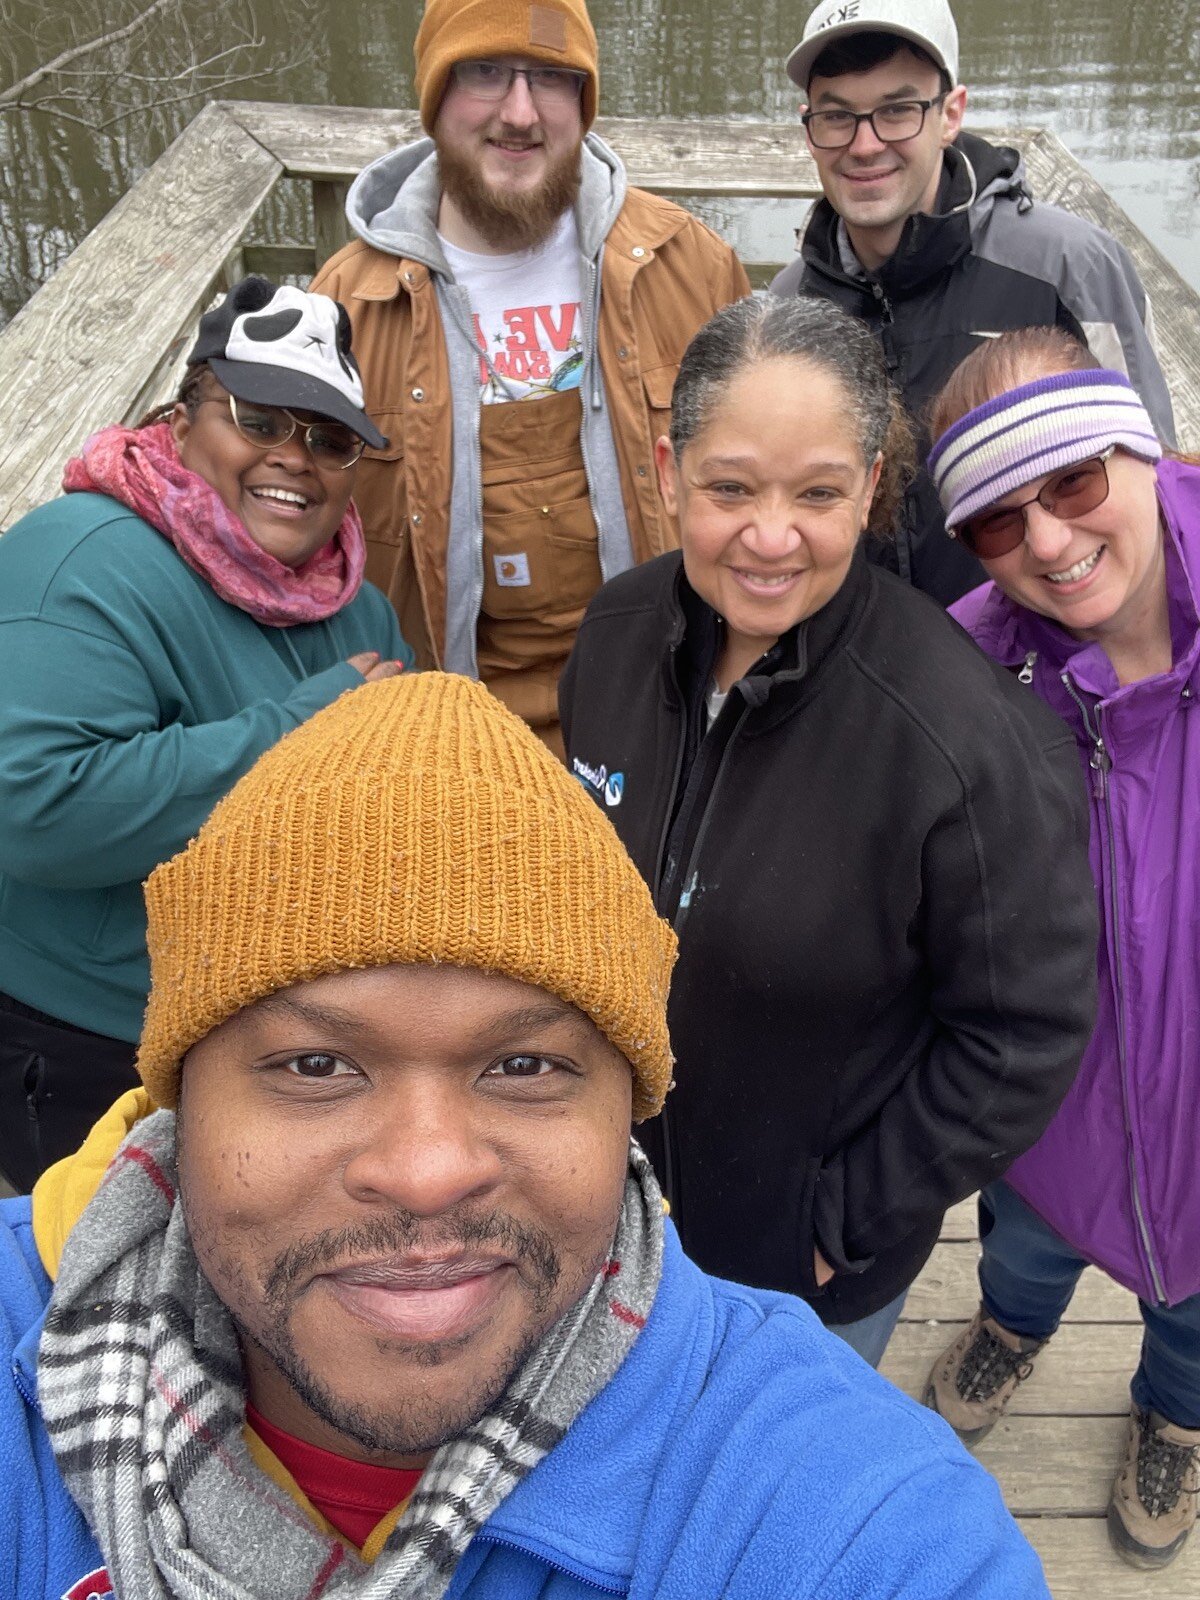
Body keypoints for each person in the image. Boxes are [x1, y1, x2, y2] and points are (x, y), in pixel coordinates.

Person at [1, 669, 1057, 1599]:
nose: (426, 1172)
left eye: (524, 1067)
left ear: (627, 1107)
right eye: (316, 1066)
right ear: (182, 1097)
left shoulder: (848, 1512)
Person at [558, 293, 1098, 1366]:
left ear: (869, 488)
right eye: (729, 488)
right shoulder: (612, 636)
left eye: (817, 492)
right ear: (668, 473)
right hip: (599, 1215)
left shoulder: (964, 739)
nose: (771, 537)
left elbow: (1022, 1033)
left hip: (804, 1273)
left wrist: (841, 1221)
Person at [0, 276, 411, 1191]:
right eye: (258, 420)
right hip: (92, 1046)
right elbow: (38, 810)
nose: (295, 458)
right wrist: (300, 738)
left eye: (330, 440)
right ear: (183, 422)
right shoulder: (74, 558)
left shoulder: (361, 607)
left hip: (291, 1039)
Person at [923, 328, 1200, 1570]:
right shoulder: (965, 675)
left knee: (1196, 1318)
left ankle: (1175, 1416)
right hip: (1049, 1110)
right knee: (1025, 1245)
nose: (1046, 539)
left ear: (1144, 451)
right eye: (996, 517)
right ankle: (1010, 1327)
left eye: (1074, 480)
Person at [310, 0, 749, 756]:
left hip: (669, 716)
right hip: (446, 737)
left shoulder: (691, 266)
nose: (520, 113)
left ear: (583, 101)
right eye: (484, 72)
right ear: (434, 98)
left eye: (550, 77)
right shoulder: (347, 305)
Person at [770, 0, 1175, 608]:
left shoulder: (1069, 268)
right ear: (809, 128)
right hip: (859, 648)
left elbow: (1156, 477)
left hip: (1035, 642)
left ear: (951, 114)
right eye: (836, 116)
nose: (865, 144)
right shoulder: (786, 306)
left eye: (898, 111)